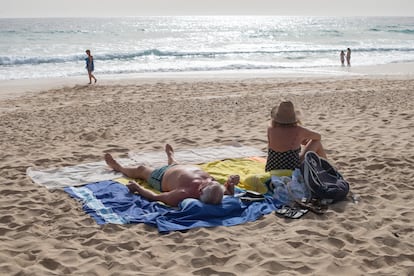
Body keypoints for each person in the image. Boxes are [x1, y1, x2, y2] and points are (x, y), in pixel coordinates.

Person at [104, 144, 239, 207]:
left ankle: (118, 167)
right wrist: (231, 182)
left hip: (161, 176)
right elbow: (227, 191)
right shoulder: (215, 191)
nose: (208, 180)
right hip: (180, 168)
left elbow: (155, 197)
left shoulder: (182, 193)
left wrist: (137, 188)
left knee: (141, 169)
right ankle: (171, 158)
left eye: (207, 182)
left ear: (200, 191)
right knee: (175, 164)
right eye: (211, 180)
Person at [265, 100, 327, 172]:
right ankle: (327, 166)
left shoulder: (270, 129)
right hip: (292, 169)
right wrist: (303, 140)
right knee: (317, 142)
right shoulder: (299, 130)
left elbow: (283, 139)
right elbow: (318, 136)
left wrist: (300, 139)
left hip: (271, 168)